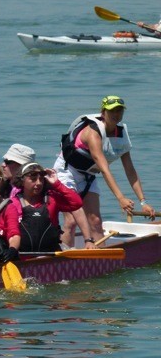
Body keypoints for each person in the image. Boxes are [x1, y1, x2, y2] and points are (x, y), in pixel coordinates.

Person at [54, 95, 155, 246]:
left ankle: (100, 261)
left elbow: (130, 169)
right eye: (112, 111)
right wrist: (120, 198)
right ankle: (65, 261)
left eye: (119, 111)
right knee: (72, 220)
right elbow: (105, 169)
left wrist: (143, 202)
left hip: (88, 175)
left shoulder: (121, 133)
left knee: (95, 220)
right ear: (103, 112)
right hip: (67, 172)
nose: (116, 114)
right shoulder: (93, 133)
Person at [10, 163, 92, 252]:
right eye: (33, 179)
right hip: (23, 258)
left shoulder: (52, 199)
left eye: (41, 179)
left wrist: (57, 184)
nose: (38, 183)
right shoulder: (13, 203)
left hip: (51, 256)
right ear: (22, 181)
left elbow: (77, 203)